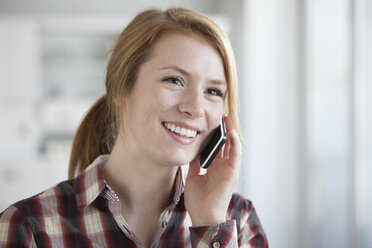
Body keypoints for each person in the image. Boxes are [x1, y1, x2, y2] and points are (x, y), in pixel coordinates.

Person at [0, 7, 268, 248]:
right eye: (174, 80)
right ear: (120, 88)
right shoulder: (28, 227)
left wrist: (209, 225)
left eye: (213, 91)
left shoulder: (237, 221)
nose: (196, 108)